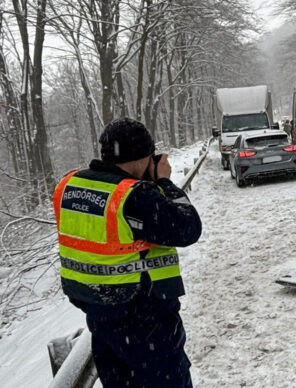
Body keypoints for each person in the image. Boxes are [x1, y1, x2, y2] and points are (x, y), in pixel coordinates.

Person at [52, 118, 202, 387]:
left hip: (101, 320)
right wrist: (165, 183)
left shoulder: (69, 187)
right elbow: (188, 228)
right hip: (147, 325)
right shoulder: (133, 196)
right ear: (142, 156)